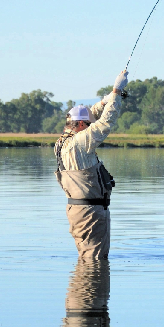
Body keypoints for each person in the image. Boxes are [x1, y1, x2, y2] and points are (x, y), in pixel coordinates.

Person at [54, 70, 129, 259]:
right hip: (90, 214)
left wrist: (104, 101)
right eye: (88, 124)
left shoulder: (61, 142)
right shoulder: (80, 141)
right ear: (80, 125)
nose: (90, 126)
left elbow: (92, 116)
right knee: (95, 261)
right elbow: (105, 122)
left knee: (87, 260)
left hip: (78, 211)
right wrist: (117, 91)